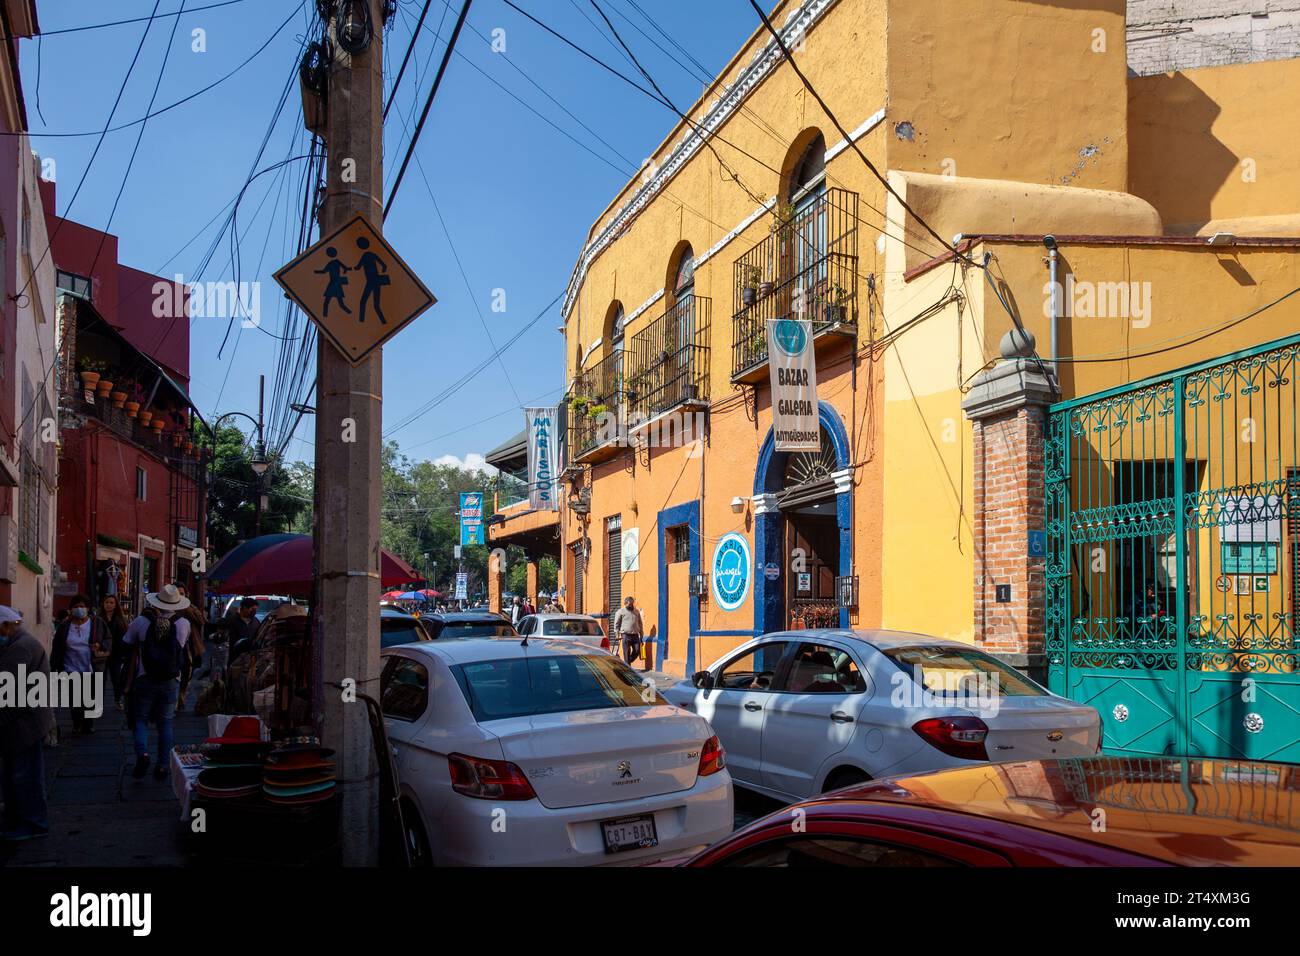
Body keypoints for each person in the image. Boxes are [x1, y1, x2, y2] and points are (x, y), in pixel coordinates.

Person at [121, 584, 193, 780]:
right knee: (166, 723)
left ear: (157, 603)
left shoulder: (141, 621)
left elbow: (126, 642)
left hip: (145, 677)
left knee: (140, 719)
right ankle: (162, 765)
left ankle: (143, 753)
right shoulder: (183, 624)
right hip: (171, 680)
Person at [0, 605, 54, 841]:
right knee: (19, 774)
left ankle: (33, 823)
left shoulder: (20, 648)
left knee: (25, 775)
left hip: (24, 723)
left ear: (6, 626)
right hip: (25, 720)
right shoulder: (20, 643)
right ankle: (19, 820)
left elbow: (9, 693)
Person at [51, 595, 109, 735]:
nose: (79, 609)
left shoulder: (97, 623)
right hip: (70, 667)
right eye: (76, 607)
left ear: (88, 608)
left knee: (90, 698)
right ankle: (77, 724)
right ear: (71, 609)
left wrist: (100, 645)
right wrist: (54, 666)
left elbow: (108, 639)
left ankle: (88, 724)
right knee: (74, 698)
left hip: (91, 667)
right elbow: (57, 645)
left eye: (82, 606)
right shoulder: (65, 626)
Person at [173, 584, 206, 715]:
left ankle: (181, 697)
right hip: (174, 645)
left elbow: (202, 621)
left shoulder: (190, 608)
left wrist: (187, 608)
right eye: (177, 593)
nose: (180, 596)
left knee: (187, 673)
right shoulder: (169, 607)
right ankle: (176, 700)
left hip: (190, 645)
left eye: (182, 593)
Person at [98, 594, 131, 712]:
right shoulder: (99, 618)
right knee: (100, 679)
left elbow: (124, 637)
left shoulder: (120, 619)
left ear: (116, 605)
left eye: (112, 602)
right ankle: (98, 702)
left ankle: (118, 700)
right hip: (101, 653)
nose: (109, 605)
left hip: (116, 654)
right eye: (107, 602)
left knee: (116, 678)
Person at [612, 596, 644, 666]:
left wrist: (641, 634)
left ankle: (628, 662)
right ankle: (628, 666)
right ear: (625, 603)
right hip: (625, 635)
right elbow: (616, 624)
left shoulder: (636, 611)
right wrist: (617, 633)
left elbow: (640, 623)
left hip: (635, 635)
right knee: (626, 652)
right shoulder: (620, 612)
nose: (631, 605)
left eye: (632, 604)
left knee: (637, 650)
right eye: (630, 604)